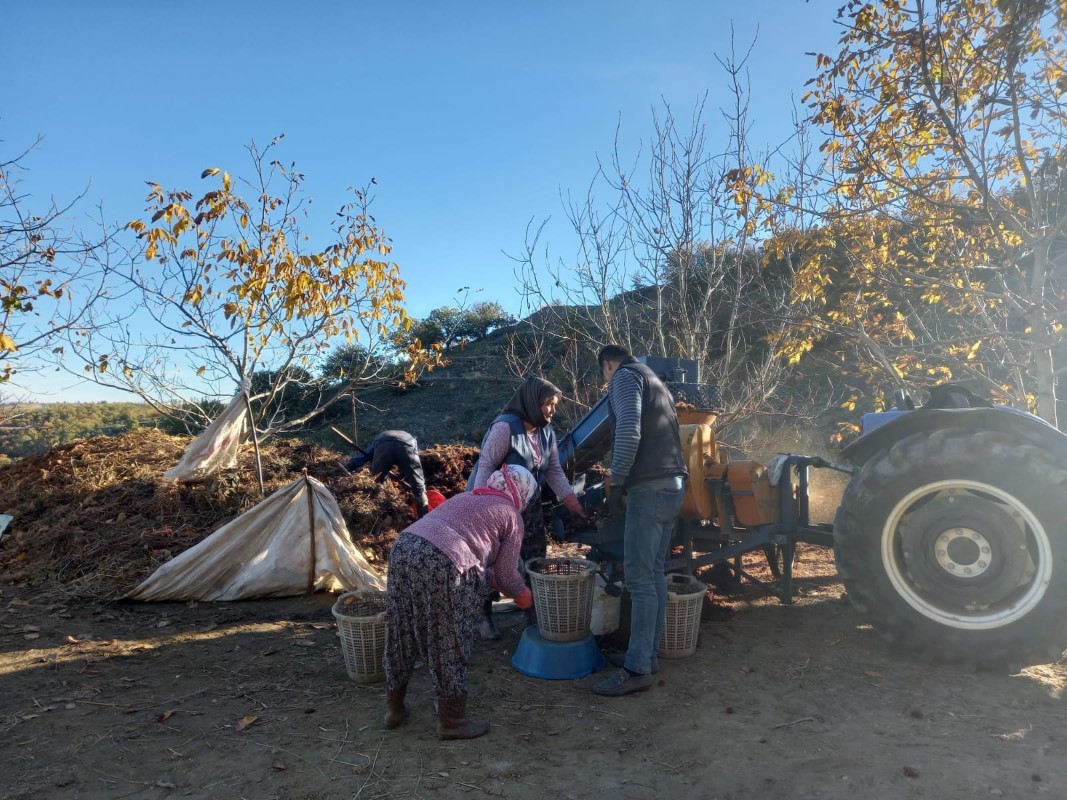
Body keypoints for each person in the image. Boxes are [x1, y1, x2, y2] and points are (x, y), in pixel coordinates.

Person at [383, 464, 537, 740]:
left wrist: (492, 579)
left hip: (404, 548)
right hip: (445, 561)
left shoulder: (466, 498)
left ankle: (394, 708)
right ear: (522, 493)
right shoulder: (511, 515)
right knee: (448, 637)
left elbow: (479, 561)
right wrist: (524, 595)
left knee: (401, 630)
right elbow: (505, 574)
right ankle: (452, 720)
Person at [592, 345, 688, 697]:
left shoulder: (624, 377)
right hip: (674, 484)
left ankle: (636, 669)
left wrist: (617, 483)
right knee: (655, 573)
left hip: (648, 488)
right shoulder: (655, 381)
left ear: (607, 364)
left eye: (604, 372)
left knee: (639, 578)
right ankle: (646, 655)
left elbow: (629, 431)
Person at [469, 376, 585, 638]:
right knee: (492, 559)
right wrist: (480, 502)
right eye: (548, 404)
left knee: (534, 555)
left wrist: (571, 501)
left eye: (555, 404)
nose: (553, 410)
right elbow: (486, 464)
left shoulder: (546, 432)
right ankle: (483, 614)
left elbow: (553, 469)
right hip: (495, 502)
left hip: (529, 503)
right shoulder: (505, 427)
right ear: (533, 402)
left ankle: (532, 610)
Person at [348, 430, 431, 518]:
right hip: (406, 445)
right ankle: (424, 517)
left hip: (384, 445)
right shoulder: (412, 440)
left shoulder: (380, 439)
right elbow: (410, 464)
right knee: (419, 487)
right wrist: (401, 476)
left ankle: (380, 515)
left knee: (378, 483)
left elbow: (363, 457)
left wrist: (351, 466)